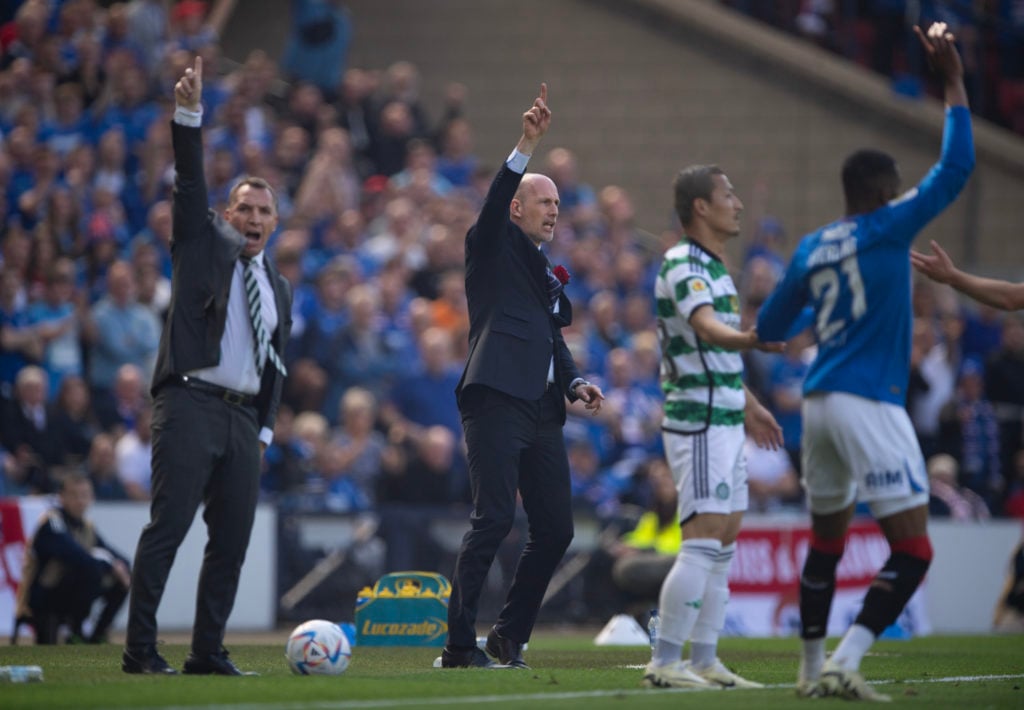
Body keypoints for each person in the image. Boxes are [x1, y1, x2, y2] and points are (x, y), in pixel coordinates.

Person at [756, 23, 975, 701]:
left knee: (827, 540)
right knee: (913, 549)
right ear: (884, 193)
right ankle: (850, 660)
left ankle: (810, 668)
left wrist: (808, 324)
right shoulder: (890, 225)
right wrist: (954, 80)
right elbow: (958, 167)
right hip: (870, 402)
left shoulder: (812, 246)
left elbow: (769, 328)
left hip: (818, 404)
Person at [123, 57, 292, 676]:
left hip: (243, 419)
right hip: (190, 401)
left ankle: (207, 652)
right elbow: (189, 183)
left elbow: (277, 361)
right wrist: (189, 114)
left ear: (275, 223)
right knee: (167, 529)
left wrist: (266, 427)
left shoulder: (279, 283)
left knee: (231, 543)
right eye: (244, 210)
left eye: (263, 213)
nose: (252, 220)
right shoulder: (199, 243)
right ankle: (140, 651)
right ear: (226, 215)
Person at [441, 84, 605, 669]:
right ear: (517, 207)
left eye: (559, 204)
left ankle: (508, 638)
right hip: (494, 401)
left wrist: (575, 381)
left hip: (540, 409)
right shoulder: (489, 247)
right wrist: (525, 148)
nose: (554, 210)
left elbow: (552, 337)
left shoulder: (540, 273)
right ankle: (459, 646)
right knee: (494, 519)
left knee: (557, 528)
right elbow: (491, 210)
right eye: (544, 202)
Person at [642, 163, 783, 691]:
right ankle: (664, 661)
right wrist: (753, 339)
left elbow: (710, 347)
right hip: (697, 419)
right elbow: (706, 327)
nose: (739, 203)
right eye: (728, 193)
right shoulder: (684, 263)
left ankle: (703, 659)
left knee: (723, 542)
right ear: (701, 206)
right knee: (702, 540)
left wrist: (749, 404)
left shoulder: (716, 267)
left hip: (724, 415)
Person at [15, 472, 131, 644]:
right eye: (74, 495)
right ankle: (75, 630)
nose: (80, 501)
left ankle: (97, 635)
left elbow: (113, 554)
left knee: (124, 575)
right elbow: (76, 557)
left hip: (68, 594)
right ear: (61, 497)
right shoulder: (52, 522)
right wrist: (111, 564)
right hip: (42, 598)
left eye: (85, 495)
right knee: (93, 570)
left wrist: (121, 566)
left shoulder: (86, 526)